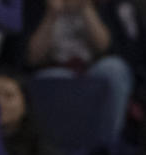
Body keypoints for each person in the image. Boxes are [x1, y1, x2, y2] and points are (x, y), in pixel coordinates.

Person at [20, 0, 134, 147]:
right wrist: (51, 14)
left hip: (92, 70)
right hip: (56, 71)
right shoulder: (36, 7)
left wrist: (86, 8)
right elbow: (32, 57)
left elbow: (106, 47)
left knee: (115, 69)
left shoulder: (104, 6)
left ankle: (105, 145)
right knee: (54, 77)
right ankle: (59, 149)